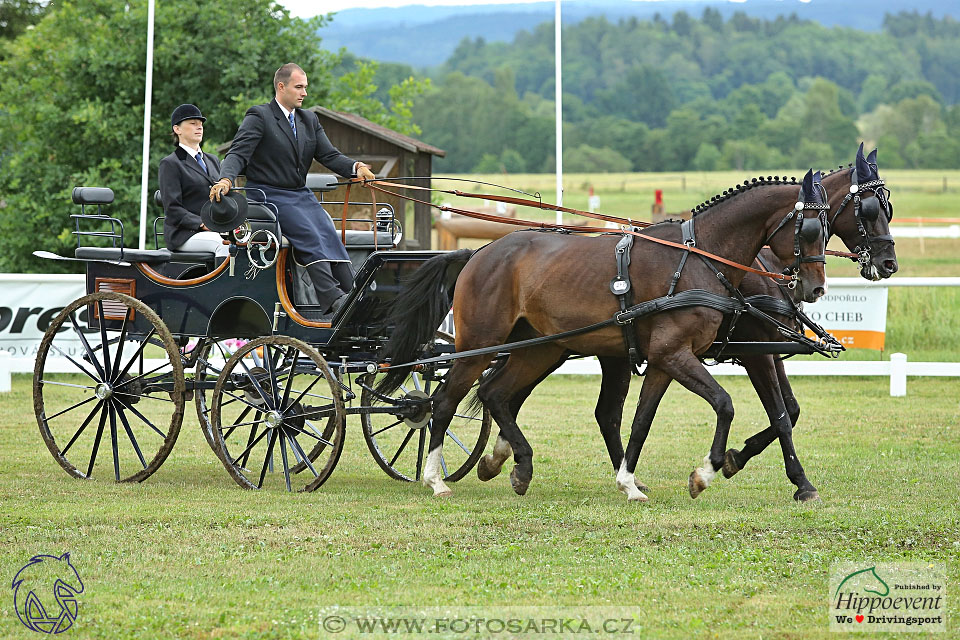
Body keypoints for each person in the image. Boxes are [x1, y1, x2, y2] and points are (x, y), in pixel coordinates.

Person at [210, 63, 377, 314]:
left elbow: (329, 155)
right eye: (299, 87)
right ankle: (331, 297)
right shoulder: (259, 116)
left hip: (299, 194)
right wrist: (226, 180)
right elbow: (237, 154)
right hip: (268, 195)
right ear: (281, 87)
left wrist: (356, 167)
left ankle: (354, 291)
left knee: (328, 230)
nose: (304, 93)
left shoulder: (309, 119)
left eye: (305, 87)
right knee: (309, 232)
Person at [158, 104, 230, 258]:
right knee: (223, 244)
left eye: (201, 124)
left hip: (215, 228)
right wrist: (202, 224)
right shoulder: (170, 163)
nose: (199, 128)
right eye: (193, 124)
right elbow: (172, 209)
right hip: (184, 234)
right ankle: (221, 283)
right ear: (177, 129)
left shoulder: (213, 160)